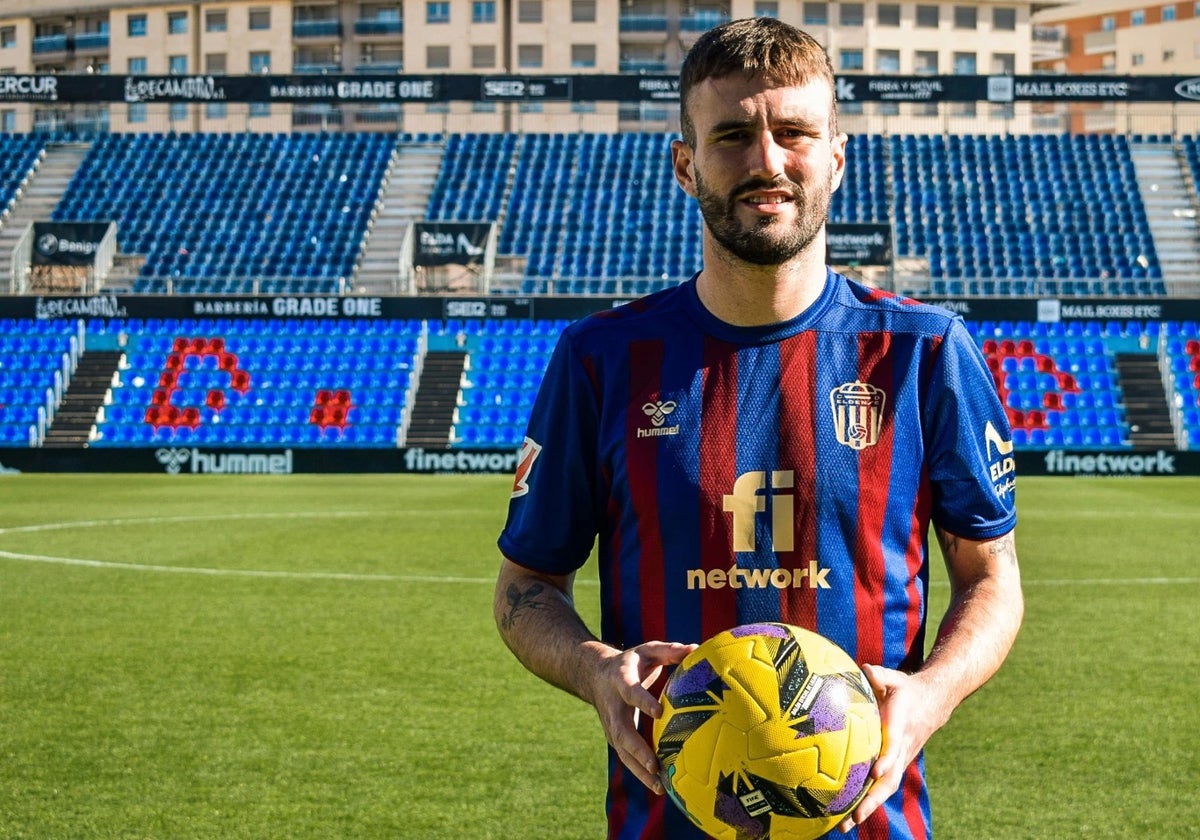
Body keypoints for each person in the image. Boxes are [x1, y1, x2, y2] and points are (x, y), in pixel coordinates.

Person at [494, 16, 1023, 840]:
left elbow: (992, 580)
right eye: (733, 134)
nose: (767, 161)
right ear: (685, 164)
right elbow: (525, 588)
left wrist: (932, 694)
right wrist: (597, 672)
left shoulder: (924, 352)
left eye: (796, 133)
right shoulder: (600, 359)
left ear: (836, 158)